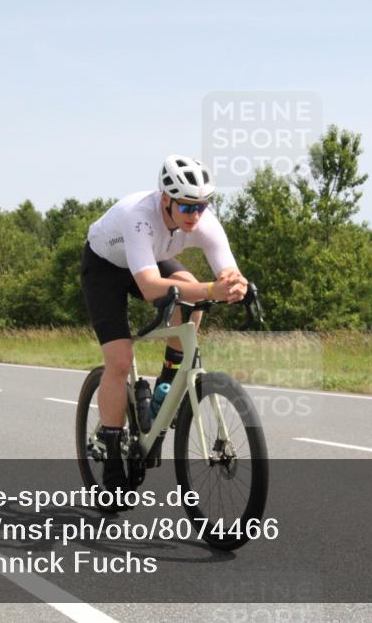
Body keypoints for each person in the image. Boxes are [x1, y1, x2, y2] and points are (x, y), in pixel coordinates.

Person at [81, 155, 248, 500]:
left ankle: (165, 387)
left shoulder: (204, 222)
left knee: (192, 299)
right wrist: (210, 289)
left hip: (150, 258)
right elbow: (150, 287)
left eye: (202, 206)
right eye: (187, 208)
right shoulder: (139, 218)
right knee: (120, 360)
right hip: (106, 268)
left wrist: (237, 285)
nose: (196, 215)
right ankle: (112, 452)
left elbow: (227, 273)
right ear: (165, 200)